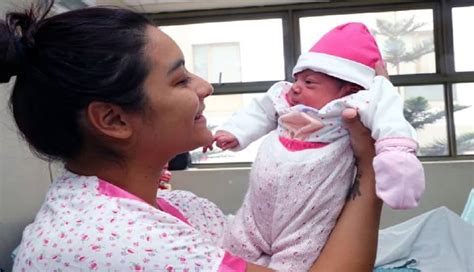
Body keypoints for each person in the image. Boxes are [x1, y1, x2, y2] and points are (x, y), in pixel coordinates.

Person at [1, 2, 382, 271]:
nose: (204, 87)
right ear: (114, 119)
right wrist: (371, 163)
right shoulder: (121, 242)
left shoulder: (174, 209)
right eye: (180, 79)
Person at [211, 23, 424, 271]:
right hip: (257, 212)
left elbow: (389, 118)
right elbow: (258, 111)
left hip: (307, 215)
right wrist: (235, 132)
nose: (296, 87)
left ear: (349, 88)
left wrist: (397, 158)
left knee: (298, 255)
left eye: (310, 82)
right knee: (236, 244)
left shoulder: (352, 105)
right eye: (296, 78)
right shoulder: (283, 98)